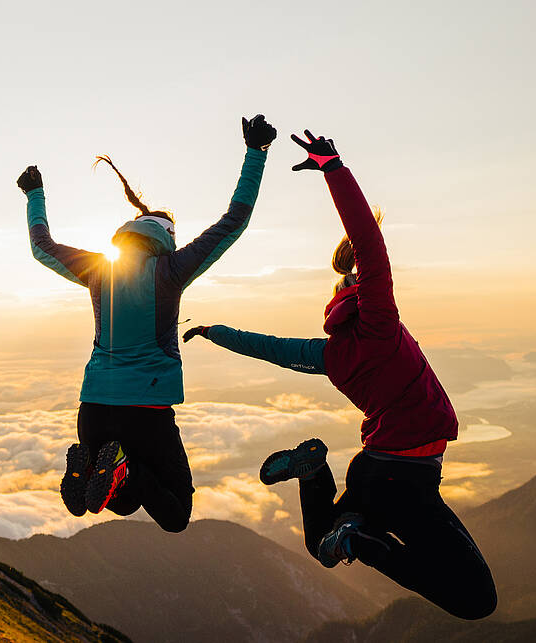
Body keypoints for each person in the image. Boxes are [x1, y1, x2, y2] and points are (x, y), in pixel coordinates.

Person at [184, 130, 497, 619]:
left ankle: (316, 476)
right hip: (404, 476)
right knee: (476, 600)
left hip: (382, 473)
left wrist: (214, 331)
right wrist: (333, 167)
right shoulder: (378, 322)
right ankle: (347, 520)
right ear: (360, 286)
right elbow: (369, 244)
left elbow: (270, 349)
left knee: (322, 541)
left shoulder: (331, 353)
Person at [21, 114, 277, 532]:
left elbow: (42, 248)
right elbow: (235, 222)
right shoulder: (171, 269)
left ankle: (101, 466)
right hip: (147, 413)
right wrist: (256, 152)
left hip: (94, 411)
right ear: (166, 237)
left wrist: (35, 193)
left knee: (114, 504)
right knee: (175, 513)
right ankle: (124, 470)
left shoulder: (98, 268)